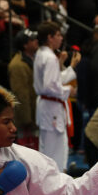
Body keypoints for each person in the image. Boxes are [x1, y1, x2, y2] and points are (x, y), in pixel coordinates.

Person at [34, 21, 81, 170]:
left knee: (49, 149)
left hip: (47, 106)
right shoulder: (49, 57)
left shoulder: (41, 54)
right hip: (51, 108)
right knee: (55, 151)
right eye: (58, 35)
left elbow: (53, 80)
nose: (61, 38)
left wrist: (70, 66)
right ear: (50, 37)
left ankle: (52, 178)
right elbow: (49, 86)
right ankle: (55, 179)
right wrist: (68, 90)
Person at [7, 29, 39, 147]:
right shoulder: (17, 65)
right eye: (32, 39)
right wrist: (27, 120)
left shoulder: (35, 59)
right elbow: (21, 95)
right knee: (28, 149)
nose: (36, 41)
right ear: (25, 45)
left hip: (37, 113)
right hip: (28, 118)